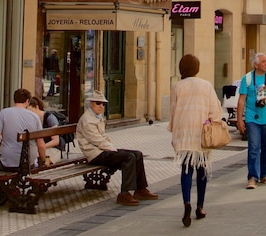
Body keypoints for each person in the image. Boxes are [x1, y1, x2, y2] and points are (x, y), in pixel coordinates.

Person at [77, 91, 159, 205]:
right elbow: (97, 140)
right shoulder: (87, 119)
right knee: (128, 157)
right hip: (95, 154)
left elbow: (104, 136)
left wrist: (112, 148)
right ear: (91, 103)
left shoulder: (97, 117)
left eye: (103, 104)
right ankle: (124, 193)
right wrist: (113, 149)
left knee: (138, 154)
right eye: (98, 103)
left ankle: (140, 189)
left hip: (103, 150)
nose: (101, 106)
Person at [168, 54, 222, 226]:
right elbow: (215, 110)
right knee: (202, 170)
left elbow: (173, 112)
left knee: (186, 169)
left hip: (184, 132)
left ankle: (186, 203)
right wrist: (211, 121)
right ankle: (200, 206)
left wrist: (173, 132)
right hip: (201, 132)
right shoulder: (206, 85)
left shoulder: (177, 86)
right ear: (197, 68)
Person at [0, 88, 47, 204]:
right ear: (27, 101)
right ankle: (0, 192)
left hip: (8, 162)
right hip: (29, 163)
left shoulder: (4, 113)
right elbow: (41, 145)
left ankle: (3, 191)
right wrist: (43, 160)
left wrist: (2, 142)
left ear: (14, 100)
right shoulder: (34, 117)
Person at [236, 53, 266, 189]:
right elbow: (241, 99)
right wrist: (240, 119)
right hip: (252, 118)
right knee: (254, 148)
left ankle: (264, 174)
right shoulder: (248, 78)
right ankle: (252, 177)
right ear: (256, 65)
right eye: (263, 62)